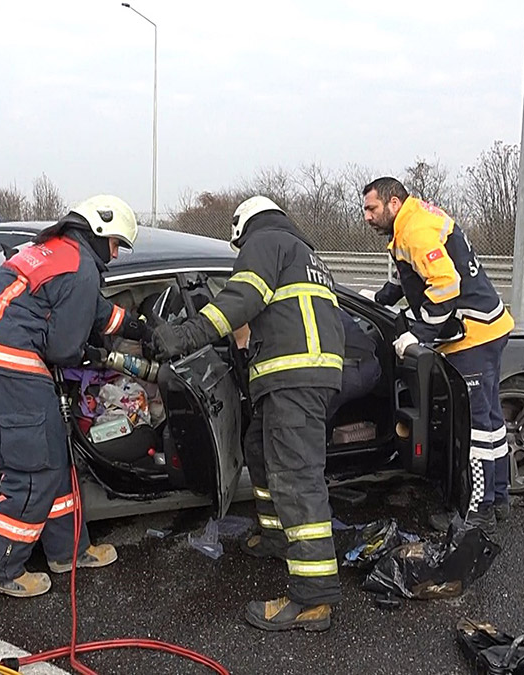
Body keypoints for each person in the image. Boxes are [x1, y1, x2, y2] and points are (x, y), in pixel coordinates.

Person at [149, 196, 345, 632]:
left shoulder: (266, 241)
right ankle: (277, 536)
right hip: (301, 376)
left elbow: (239, 301)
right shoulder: (301, 252)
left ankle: (313, 599)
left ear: (242, 227)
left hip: (294, 377)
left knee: (296, 479)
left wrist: (185, 336)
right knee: (259, 450)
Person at [0, 195, 151, 598]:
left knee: (55, 459)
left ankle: (68, 552)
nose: (114, 255)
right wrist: (95, 356)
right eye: (114, 244)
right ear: (97, 231)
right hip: (9, 368)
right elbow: (63, 348)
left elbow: (93, 311)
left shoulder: (56, 253)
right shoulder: (80, 268)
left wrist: (140, 327)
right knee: (33, 470)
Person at [360, 177, 515, 536]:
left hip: (471, 335)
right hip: (489, 325)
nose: (366, 216)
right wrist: (381, 299)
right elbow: (411, 275)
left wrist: (421, 334)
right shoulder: (411, 225)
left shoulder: (414, 230)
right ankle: (499, 498)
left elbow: (445, 284)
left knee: (477, 429)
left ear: (393, 203)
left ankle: (478, 512)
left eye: (372, 208)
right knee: (491, 421)